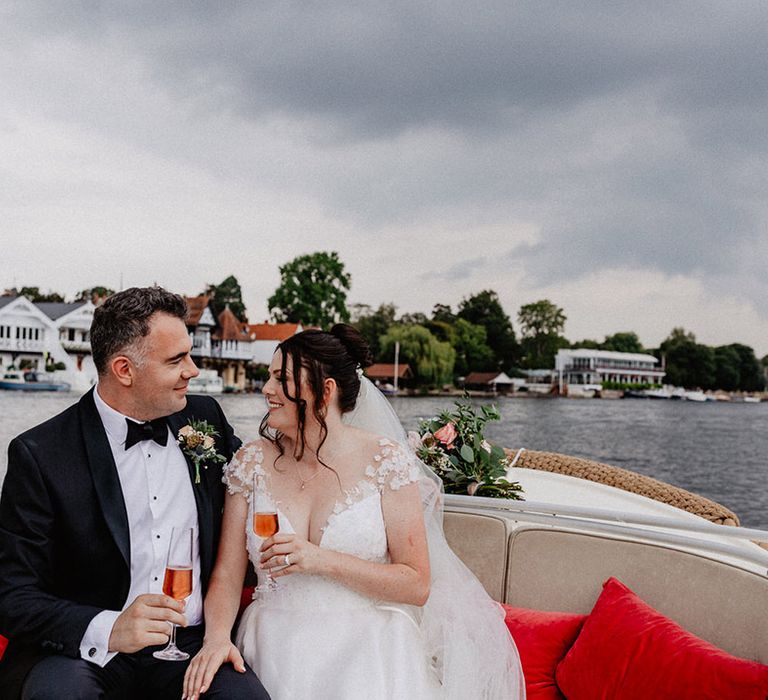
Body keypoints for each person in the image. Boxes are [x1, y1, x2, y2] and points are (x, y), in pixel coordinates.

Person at [183, 325, 524, 699]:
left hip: (371, 649)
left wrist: (321, 560)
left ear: (325, 391)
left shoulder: (386, 462)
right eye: (269, 377)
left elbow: (416, 584)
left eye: (281, 379)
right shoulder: (251, 461)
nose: (267, 389)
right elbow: (228, 574)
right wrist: (216, 640)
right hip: (271, 645)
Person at [0, 287, 269, 699]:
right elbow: (13, 595)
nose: (193, 370)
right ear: (124, 369)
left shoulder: (204, 417)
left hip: (195, 643)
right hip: (85, 651)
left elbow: (265, 479)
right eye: (177, 360)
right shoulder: (40, 455)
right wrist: (110, 628)